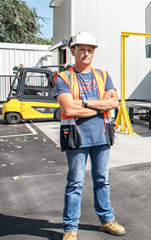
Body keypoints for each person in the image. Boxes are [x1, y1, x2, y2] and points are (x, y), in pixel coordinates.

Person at [54, 32, 124, 240]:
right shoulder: (63, 77)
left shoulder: (103, 75)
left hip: (101, 136)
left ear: (94, 52)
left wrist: (83, 102)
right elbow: (69, 108)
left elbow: (114, 103)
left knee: (102, 180)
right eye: (81, 49)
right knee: (75, 183)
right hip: (76, 137)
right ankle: (70, 228)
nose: (86, 53)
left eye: (90, 49)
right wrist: (97, 106)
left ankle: (106, 220)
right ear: (72, 50)